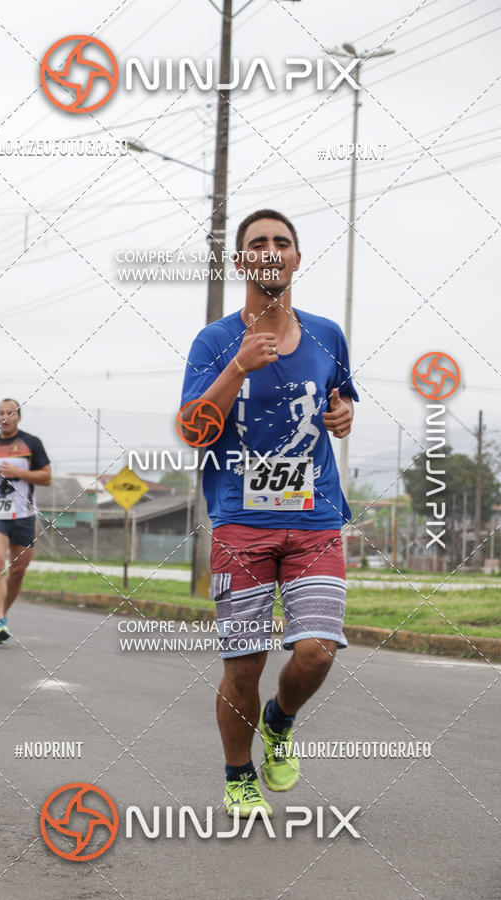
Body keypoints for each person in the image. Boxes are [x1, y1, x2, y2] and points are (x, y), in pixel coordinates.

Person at [180, 210, 358, 817]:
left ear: (296, 259)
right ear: (241, 262)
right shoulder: (214, 342)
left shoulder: (328, 335)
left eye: (282, 242)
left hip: (315, 518)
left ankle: (280, 722)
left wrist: (343, 418)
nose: (271, 251)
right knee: (245, 662)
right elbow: (193, 433)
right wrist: (236, 370)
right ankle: (238, 774)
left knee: (317, 650)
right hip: (239, 520)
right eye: (258, 243)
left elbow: (340, 403)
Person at [0, 399, 51, 644]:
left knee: (18, 571)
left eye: (10, 413)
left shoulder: (31, 443)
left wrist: (20, 473)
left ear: (18, 416)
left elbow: (47, 477)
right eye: (0, 413)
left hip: (24, 514)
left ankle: (1, 614)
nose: (5, 417)